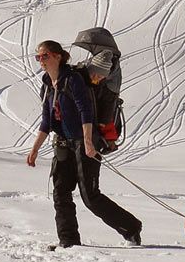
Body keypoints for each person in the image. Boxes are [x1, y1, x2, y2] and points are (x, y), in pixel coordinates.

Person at [25, 40, 142, 249]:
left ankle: (131, 227)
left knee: (90, 196)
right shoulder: (47, 83)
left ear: (58, 56)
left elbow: (85, 111)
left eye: (45, 56)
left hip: (85, 142)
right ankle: (69, 242)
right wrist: (34, 150)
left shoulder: (72, 79)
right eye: (38, 57)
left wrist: (89, 142)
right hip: (62, 144)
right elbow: (46, 120)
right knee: (60, 193)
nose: (41, 61)